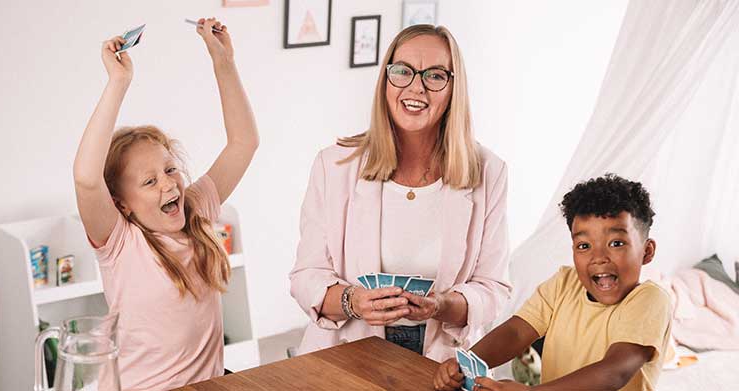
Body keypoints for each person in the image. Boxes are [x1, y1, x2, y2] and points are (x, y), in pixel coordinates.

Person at [289, 24, 511, 361]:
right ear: (386, 80)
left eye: (435, 76)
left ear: (454, 88)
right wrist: (353, 301)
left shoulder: (489, 171)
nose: (416, 87)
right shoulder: (334, 166)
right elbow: (306, 277)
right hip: (346, 355)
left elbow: (493, 288)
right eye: (403, 71)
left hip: (440, 362)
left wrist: (441, 305)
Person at [72, 18, 258, 391]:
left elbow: (243, 142)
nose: (168, 184)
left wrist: (223, 61)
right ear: (121, 204)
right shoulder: (120, 243)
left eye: (169, 169)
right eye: (149, 181)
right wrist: (118, 83)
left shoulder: (196, 209)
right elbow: (85, 178)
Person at [433, 174, 672, 391]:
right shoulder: (564, 283)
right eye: (584, 246)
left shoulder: (650, 300)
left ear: (647, 251)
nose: (599, 257)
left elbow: (614, 372)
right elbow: (516, 332)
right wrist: (466, 362)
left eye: (616, 243)